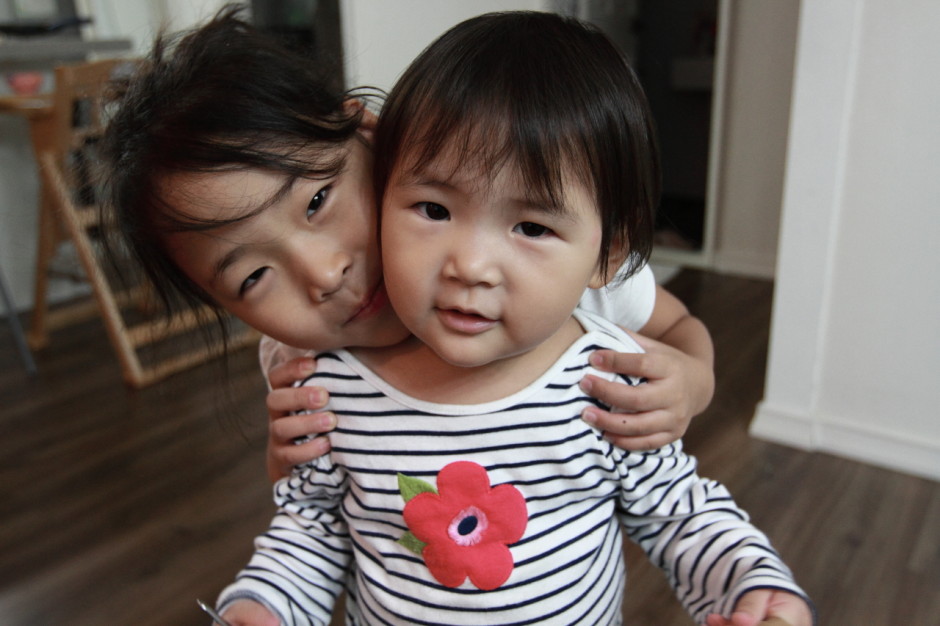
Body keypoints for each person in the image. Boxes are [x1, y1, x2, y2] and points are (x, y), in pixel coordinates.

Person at [214, 11, 814, 626]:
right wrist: (264, 607)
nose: (470, 266)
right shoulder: (328, 390)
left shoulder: (607, 384)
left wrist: (753, 588)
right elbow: (313, 528)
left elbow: (679, 513)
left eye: (531, 226)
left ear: (606, 255)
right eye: (433, 209)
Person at [99, 4, 714, 483]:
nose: (324, 275)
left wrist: (692, 381)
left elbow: (680, 329)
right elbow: (312, 515)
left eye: (316, 202)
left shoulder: (561, 273)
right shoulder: (300, 365)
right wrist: (284, 463)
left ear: (369, 135)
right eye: (252, 278)